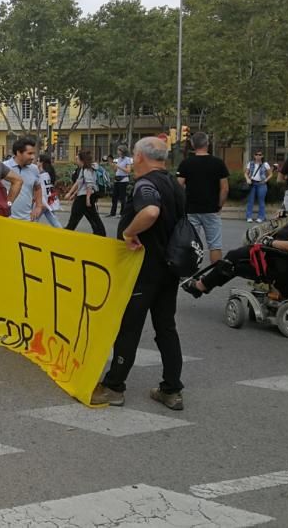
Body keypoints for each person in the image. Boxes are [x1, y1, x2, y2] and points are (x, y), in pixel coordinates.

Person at [92, 137, 186, 411]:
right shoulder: (175, 184)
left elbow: (151, 211)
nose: (132, 161)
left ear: (141, 157)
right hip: (170, 268)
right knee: (166, 328)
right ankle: (172, 389)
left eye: (134, 156)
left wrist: (129, 232)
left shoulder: (146, 184)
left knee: (130, 328)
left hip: (145, 269)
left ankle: (113, 387)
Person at [183, 179, 288, 300]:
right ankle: (202, 285)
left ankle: (200, 286)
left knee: (234, 257)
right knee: (236, 266)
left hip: (286, 268)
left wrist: (270, 242)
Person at [176, 131, 229, 263]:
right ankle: (214, 276)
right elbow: (225, 188)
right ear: (207, 144)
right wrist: (219, 205)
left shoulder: (186, 163)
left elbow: (178, 187)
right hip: (211, 209)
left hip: (191, 209)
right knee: (215, 244)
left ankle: (189, 274)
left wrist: (182, 204)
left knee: (190, 243)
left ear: (193, 145)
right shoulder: (218, 163)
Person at [64, 150, 106, 236]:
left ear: (82, 160)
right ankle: (100, 233)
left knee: (75, 217)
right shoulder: (87, 169)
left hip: (84, 197)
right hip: (85, 196)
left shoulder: (87, 170)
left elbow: (89, 185)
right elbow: (79, 183)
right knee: (92, 216)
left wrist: (87, 199)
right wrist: (72, 194)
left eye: (77, 159)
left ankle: (67, 232)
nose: (76, 161)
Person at [4, 137, 44, 222]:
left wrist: (39, 206)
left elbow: (38, 188)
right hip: (7, 218)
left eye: (34, 153)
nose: (33, 157)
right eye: (29, 153)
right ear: (18, 152)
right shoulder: (3, 167)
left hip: (27, 219)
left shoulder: (34, 169)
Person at [244, 150, 272, 223]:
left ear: (262, 156)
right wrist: (247, 179)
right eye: (256, 154)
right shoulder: (250, 163)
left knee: (261, 201)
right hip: (252, 183)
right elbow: (246, 173)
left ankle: (261, 217)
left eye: (260, 155)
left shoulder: (265, 164)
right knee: (250, 201)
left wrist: (265, 180)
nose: (258, 156)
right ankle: (249, 217)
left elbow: (270, 174)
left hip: (261, 184)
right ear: (254, 156)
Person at [37, 153, 63, 228]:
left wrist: (41, 203)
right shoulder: (49, 174)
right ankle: (62, 234)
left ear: (41, 163)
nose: (36, 163)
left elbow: (42, 189)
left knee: (32, 219)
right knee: (55, 221)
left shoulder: (41, 175)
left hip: (42, 202)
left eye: (38, 161)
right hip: (48, 201)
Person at [109, 145, 133, 217]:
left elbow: (128, 171)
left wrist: (119, 166)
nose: (117, 151)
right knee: (114, 197)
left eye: (119, 150)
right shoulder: (118, 159)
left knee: (122, 197)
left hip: (124, 180)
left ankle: (122, 213)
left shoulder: (127, 159)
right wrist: (113, 166)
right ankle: (112, 213)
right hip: (117, 179)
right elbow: (116, 170)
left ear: (123, 151)